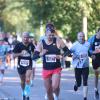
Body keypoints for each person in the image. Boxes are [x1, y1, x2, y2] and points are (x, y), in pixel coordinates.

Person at [33, 24, 71, 100]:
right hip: (46, 69)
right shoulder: (41, 43)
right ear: (45, 34)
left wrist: (61, 56)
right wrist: (41, 54)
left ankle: (55, 96)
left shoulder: (58, 40)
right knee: (48, 90)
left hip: (56, 68)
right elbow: (34, 57)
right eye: (49, 35)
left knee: (54, 87)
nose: (51, 37)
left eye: (52, 35)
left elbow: (68, 51)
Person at [13, 32, 35, 100]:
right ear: (22, 37)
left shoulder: (31, 45)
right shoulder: (18, 45)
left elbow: (35, 53)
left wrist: (34, 55)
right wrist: (20, 53)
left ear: (29, 38)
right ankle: (23, 93)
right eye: (24, 37)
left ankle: (27, 94)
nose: (25, 39)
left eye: (27, 37)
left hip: (29, 65)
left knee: (27, 79)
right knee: (22, 81)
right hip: (21, 65)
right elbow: (13, 55)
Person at [70, 32, 90, 100]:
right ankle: (76, 84)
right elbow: (68, 53)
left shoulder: (87, 44)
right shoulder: (74, 45)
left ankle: (85, 97)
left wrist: (92, 55)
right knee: (79, 83)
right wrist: (73, 56)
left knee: (85, 81)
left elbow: (89, 52)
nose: (82, 37)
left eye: (83, 36)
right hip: (77, 66)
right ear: (77, 37)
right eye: (80, 36)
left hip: (85, 66)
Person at [88, 28, 100, 99]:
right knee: (96, 74)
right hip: (95, 58)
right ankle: (96, 89)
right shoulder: (92, 39)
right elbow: (87, 48)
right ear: (97, 32)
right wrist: (91, 55)